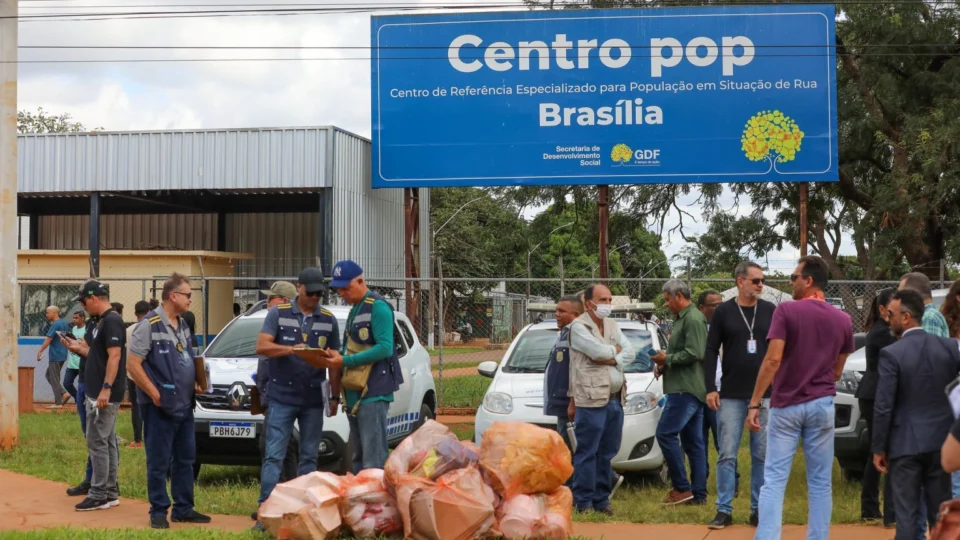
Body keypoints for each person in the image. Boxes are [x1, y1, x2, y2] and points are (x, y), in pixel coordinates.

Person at [747, 256, 855, 540]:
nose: (791, 282)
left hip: (787, 404)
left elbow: (772, 360)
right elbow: (837, 371)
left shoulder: (786, 311)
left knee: (774, 480)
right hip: (822, 404)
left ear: (809, 281)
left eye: (795, 277)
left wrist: (755, 402)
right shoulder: (843, 319)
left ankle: (768, 537)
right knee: (820, 482)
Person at [254, 267, 341, 530]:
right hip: (281, 396)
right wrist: (291, 349)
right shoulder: (277, 314)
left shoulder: (328, 319)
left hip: (313, 398)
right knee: (274, 456)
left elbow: (335, 361)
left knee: (309, 457)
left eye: (320, 293)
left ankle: (303, 513)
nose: (316, 297)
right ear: (299, 287)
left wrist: (335, 397)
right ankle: (266, 513)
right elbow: (262, 346)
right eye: (312, 292)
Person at [872, 290, 960, 540]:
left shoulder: (892, 354)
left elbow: (884, 405)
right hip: (941, 444)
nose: (888, 319)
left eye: (891, 314)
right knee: (941, 516)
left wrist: (879, 448)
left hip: (905, 446)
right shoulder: (949, 347)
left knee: (908, 517)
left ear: (907, 317)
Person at [127, 274, 211, 529]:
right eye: (187, 295)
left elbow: (187, 357)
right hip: (159, 407)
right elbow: (133, 364)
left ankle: (184, 508)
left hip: (185, 404)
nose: (190, 299)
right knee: (159, 460)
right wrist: (153, 392)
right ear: (173, 296)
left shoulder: (183, 324)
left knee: (185, 458)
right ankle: (158, 510)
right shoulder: (149, 325)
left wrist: (197, 381)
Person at [704, 262, 775, 530]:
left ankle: (758, 509)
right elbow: (711, 350)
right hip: (731, 394)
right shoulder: (723, 311)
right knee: (727, 453)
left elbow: (779, 350)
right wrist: (711, 386)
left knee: (761, 454)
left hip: (765, 394)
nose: (760, 285)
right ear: (740, 281)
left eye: (762, 281)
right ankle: (724, 509)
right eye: (756, 280)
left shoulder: (770, 310)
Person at [326, 260, 402, 471]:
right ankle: (362, 500)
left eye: (346, 287)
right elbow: (353, 348)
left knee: (373, 458)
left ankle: (376, 502)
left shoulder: (377, 307)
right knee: (358, 457)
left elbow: (385, 348)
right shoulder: (354, 309)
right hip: (354, 392)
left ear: (360, 281)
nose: (342, 292)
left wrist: (345, 361)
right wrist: (336, 355)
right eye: (338, 288)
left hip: (373, 391)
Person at [567, 284, 634, 515]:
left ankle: (601, 500)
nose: (607, 304)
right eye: (602, 299)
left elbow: (630, 352)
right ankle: (583, 501)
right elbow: (596, 352)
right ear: (588, 303)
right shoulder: (578, 326)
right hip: (591, 399)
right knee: (587, 451)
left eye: (609, 299)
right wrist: (614, 353)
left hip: (615, 398)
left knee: (607, 452)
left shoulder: (613, 325)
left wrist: (612, 356)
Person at [63, 280, 127, 512]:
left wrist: (106, 388)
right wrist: (77, 348)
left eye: (83, 301)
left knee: (97, 441)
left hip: (104, 391)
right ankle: (109, 492)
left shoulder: (112, 321)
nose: (81, 306)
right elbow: (95, 353)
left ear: (94, 298)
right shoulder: (98, 322)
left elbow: (115, 356)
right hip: (95, 388)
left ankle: (99, 493)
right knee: (106, 440)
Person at [653, 279, 708, 506]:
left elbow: (695, 352)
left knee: (665, 434)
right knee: (693, 443)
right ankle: (698, 494)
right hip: (686, 387)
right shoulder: (682, 319)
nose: (666, 304)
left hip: (685, 389)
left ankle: (681, 488)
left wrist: (668, 359)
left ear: (678, 296)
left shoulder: (693, 318)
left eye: (667, 300)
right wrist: (665, 363)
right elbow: (682, 351)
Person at [251, 280, 300, 520]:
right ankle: (278, 501)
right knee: (280, 448)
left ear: (283, 301)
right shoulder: (272, 323)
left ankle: (278, 503)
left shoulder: (289, 328)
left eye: (271, 298)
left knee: (276, 449)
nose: (267, 302)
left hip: (281, 398)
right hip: (270, 397)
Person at [855, 289, 897, 526]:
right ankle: (874, 506)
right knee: (882, 449)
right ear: (882, 310)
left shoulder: (884, 330)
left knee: (877, 449)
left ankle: (869, 506)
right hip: (874, 396)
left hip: (875, 395)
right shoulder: (884, 333)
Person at [544, 295, 583, 451]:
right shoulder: (563, 333)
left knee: (569, 452)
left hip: (568, 405)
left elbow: (578, 369)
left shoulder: (577, 334)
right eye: (556, 310)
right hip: (561, 404)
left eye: (562, 311)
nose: (557, 314)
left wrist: (573, 402)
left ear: (576, 315)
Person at [125, 301, 152, 449]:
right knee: (148, 405)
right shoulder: (152, 328)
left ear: (135, 314)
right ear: (149, 311)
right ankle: (149, 438)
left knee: (135, 406)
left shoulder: (128, 330)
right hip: (147, 374)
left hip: (131, 374)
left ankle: (137, 440)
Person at [38, 305, 72, 407]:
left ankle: (58, 403)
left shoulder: (55, 324)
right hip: (63, 354)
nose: (46, 314)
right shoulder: (64, 323)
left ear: (54, 313)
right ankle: (64, 393)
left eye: (48, 312)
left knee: (53, 378)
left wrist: (40, 350)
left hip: (55, 355)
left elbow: (49, 339)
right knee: (49, 375)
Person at [63, 311, 87, 403]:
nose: (74, 320)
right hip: (72, 363)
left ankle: (82, 403)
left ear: (82, 318)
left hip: (82, 362)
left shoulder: (86, 329)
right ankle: (79, 400)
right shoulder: (73, 329)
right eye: (73, 318)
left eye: (76, 318)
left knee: (82, 385)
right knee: (67, 383)